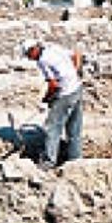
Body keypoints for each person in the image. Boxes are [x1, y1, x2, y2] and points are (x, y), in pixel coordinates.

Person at [21, 39, 83, 169]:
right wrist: (75, 72)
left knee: (52, 128)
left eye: (28, 55)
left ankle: (48, 162)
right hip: (77, 88)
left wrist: (46, 100)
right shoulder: (53, 48)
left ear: (34, 50)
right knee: (74, 128)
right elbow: (76, 54)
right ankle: (75, 160)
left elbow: (53, 85)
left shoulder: (43, 61)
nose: (29, 59)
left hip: (65, 93)